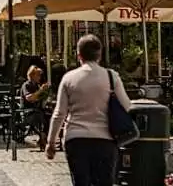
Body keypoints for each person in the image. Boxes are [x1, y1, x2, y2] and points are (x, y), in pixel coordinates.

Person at [46, 35, 133, 186]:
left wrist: (51, 142)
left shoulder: (69, 78)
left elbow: (60, 113)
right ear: (99, 55)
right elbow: (127, 106)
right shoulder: (112, 77)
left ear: (79, 55)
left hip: (76, 139)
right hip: (105, 139)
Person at [20, 65, 53, 150]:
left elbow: (40, 98)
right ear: (32, 75)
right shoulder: (26, 85)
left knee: (51, 115)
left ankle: (44, 137)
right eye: (38, 75)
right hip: (28, 112)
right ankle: (43, 139)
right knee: (41, 116)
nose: (40, 77)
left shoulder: (37, 85)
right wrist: (41, 90)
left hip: (37, 109)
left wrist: (46, 95)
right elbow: (29, 98)